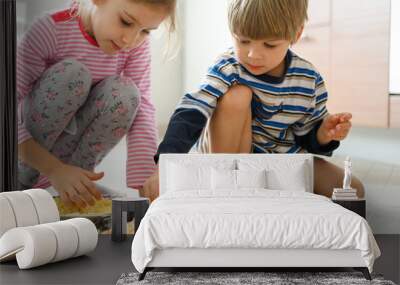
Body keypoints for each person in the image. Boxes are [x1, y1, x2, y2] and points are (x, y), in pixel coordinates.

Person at [141, 0, 364, 201]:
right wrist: (166, 164)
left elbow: (306, 137)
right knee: (237, 96)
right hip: (227, 158)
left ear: (296, 35)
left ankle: (265, 190)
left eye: (270, 45)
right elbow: (192, 110)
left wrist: (323, 134)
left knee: (353, 189)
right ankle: (226, 188)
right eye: (244, 41)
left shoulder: (308, 79)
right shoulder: (228, 67)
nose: (252, 55)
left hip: (280, 161)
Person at [17, 0, 177, 209]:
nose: (130, 40)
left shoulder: (134, 45)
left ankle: (76, 184)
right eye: (126, 22)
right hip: (22, 157)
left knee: (126, 94)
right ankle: (24, 183)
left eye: (146, 31)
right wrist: (53, 169)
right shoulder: (50, 30)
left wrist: (147, 187)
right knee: (73, 74)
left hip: (66, 163)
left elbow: (143, 110)